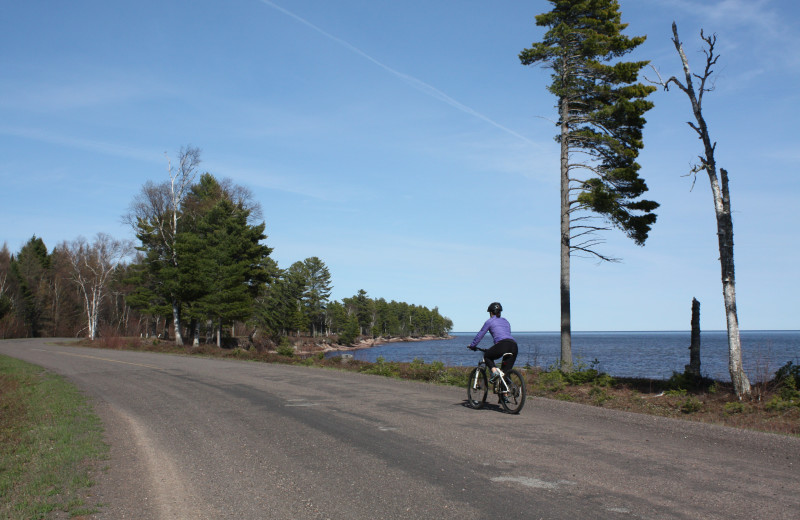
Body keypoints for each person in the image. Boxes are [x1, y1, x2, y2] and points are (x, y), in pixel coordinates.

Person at [467, 302, 518, 383]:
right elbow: (506, 334)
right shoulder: (506, 321)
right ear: (500, 312)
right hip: (513, 345)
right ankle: (506, 393)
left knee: (487, 356)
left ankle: (494, 373)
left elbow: (480, 334)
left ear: (491, 312)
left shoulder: (490, 321)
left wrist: (473, 345)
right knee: (505, 373)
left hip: (503, 344)